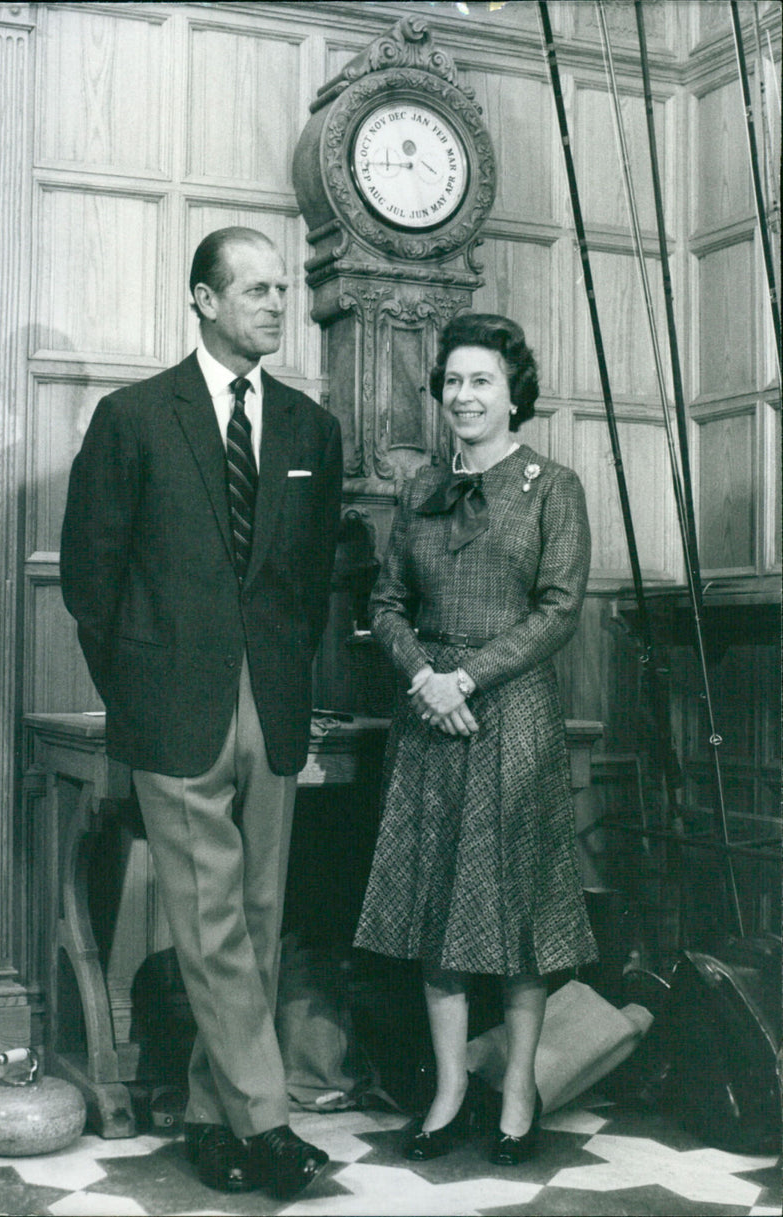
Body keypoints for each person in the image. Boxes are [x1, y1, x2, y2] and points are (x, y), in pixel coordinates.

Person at [60, 227, 343, 1198]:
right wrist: (136, 688)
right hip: (171, 712)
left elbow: (306, 589)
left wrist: (288, 697)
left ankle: (205, 1116)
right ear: (202, 300)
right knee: (213, 923)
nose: (277, 303)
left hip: (269, 703)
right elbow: (91, 581)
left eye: (283, 288)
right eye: (256, 289)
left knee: (256, 923)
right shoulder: (133, 419)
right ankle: (267, 1122)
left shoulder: (310, 428)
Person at [354, 312, 598, 1166]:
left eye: (481, 380)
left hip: (512, 716)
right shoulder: (420, 487)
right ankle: (451, 1090)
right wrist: (425, 677)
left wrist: (469, 678)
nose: (464, 395)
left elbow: (559, 608)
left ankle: (519, 1088)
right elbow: (384, 604)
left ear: (512, 391)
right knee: (435, 907)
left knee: (516, 909)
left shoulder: (552, 485)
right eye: (453, 381)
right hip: (428, 720)